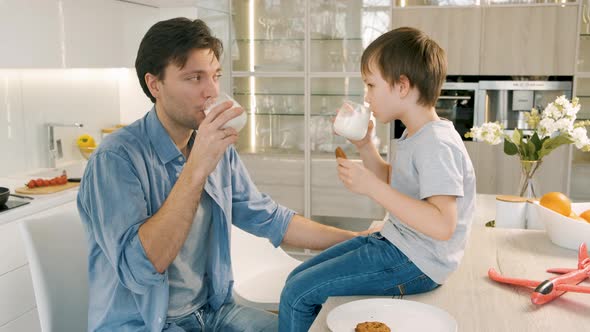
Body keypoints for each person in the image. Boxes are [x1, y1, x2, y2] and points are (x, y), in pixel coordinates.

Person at [77, 17, 373, 332]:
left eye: (215, 76)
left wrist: (356, 241)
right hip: (145, 324)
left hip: (213, 314)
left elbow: (269, 218)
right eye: (194, 78)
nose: (212, 91)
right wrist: (196, 167)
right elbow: (142, 268)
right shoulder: (115, 159)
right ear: (154, 85)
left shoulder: (210, 145)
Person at [278, 27, 476, 331]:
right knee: (296, 280)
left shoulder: (437, 144)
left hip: (418, 262)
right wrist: (365, 146)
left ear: (402, 86)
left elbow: (442, 224)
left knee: (297, 293)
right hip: (399, 243)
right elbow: (394, 181)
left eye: (371, 85)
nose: (367, 97)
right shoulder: (416, 133)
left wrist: (371, 188)